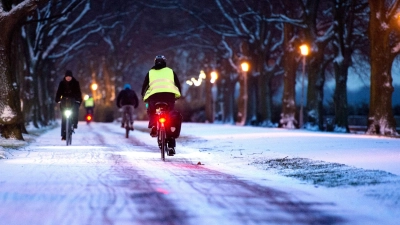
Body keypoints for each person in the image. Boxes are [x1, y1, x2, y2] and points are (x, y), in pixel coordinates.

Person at [141, 55, 181, 154]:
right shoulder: (170, 71)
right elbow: (178, 84)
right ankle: (171, 145)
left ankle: (154, 125)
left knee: (151, 111)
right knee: (170, 117)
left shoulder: (150, 72)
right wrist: (179, 94)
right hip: (169, 97)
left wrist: (143, 95)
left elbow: (144, 86)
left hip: (154, 97)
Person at [55, 70, 82, 140]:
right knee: (64, 118)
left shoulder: (76, 83)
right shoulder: (62, 83)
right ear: (65, 77)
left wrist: (78, 100)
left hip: (73, 101)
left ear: (71, 77)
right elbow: (59, 92)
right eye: (67, 77)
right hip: (64, 101)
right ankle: (64, 135)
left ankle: (74, 124)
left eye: (69, 76)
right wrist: (57, 99)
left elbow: (78, 92)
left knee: (75, 111)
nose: (68, 78)